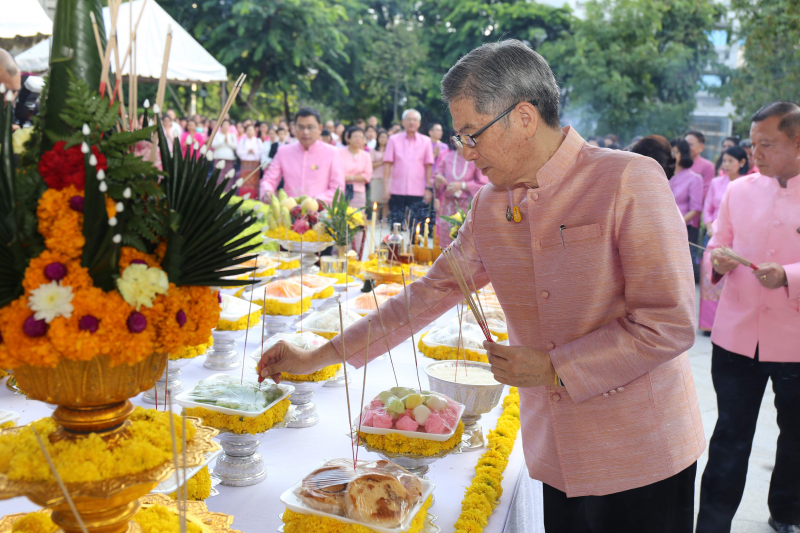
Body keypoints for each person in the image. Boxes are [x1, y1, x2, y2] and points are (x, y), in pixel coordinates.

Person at [259, 40, 703, 533]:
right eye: (459, 138)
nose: (465, 154)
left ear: (525, 117)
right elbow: (425, 296)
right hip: (555, 450)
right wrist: (315, 356)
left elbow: (669, 322)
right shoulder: (492, 208)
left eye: (472, 134)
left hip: (640, 452)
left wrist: (554, 367)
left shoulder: (626, 179)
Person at [696, 101, 800, 533]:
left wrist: (790, 276)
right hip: (737, 337)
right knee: (730, 438)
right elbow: (714, 251)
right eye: (753, 143)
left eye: (767, 144)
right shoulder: (738, 191)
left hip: (794, 341)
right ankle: (712, 524)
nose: (755, 153)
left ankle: (787, 513)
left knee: (795, 439)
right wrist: (717, 263)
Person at [698, 145, 749, 335]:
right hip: (714, 235)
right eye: (724, 160)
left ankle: (728, 320)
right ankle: (708, 323)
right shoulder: (717, 182)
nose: (726, 164)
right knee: (710, 275)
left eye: (730, 161)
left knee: (731, 278)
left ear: (742, 163)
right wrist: (710, 227)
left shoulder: (748, 184)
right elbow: (708, 208)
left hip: (736, 239)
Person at [260, 107, 344, 205]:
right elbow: (269, 179)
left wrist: (313, 202)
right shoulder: (283, 152)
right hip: (289, 214)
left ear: (320, 129)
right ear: (295, 128)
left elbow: (338, 190)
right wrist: (267, 191)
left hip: (321, 215)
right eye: (301, 127)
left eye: (310, 127)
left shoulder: (332, 152)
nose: (305, 132)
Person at [382, 109, 435, 225]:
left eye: (415, 120)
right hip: (396, 190)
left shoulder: (426, 141)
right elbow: (387, 165)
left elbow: (428, 168)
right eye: (409, 119)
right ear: (402, 122)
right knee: (396, 226)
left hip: (418, 191)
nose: (412, 122)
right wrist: (386, 187)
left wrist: (428, 189)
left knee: (416, 228)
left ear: (419, 123)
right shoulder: (393, 140)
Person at [433, 136, 488, 246]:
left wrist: (462, 185)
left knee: (464, 241)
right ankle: (445, 263)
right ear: (453, 141)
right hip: (448, 205)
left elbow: (484, 184)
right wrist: (438, 182)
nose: (460, 142)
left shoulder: (475, 158)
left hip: (466, 205)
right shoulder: (447, 157)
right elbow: (436, 180)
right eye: (457, 138)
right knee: (445, 241)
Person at [669, 139, 704, 245]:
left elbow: (696, 209)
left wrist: (678, 223)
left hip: (682, 228)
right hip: (661, 226)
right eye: (669, 152)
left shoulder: (694, 178)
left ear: (683, 154)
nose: (671, 155)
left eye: (674, 152)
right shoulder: (662, 174)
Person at [339, 127, 372, 208]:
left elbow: (367, 176)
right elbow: (337, 172)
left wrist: (348, 177)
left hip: (358, 191)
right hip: (341, 190)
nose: (358, 139)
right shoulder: (339, 152)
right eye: (355, 136)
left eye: (361, 137)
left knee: (357, 217)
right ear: (348, 138)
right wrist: (357, 177)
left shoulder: (366, 155)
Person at [685, 130, 716, 200]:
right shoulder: (677, 164)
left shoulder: (708, 166)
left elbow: (707, 191)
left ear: (701, 147)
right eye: (685, 144)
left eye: (690, 144)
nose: (686, 147)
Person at [235, 124, 263, 198]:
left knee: (254, 182)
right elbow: (238, 152)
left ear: (254, 131)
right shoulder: (242, 141)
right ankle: (243, 196)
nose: (250, 132)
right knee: (244, 181)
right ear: (246, 131)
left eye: (251, 130)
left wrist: (254, 151)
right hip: (245, 164)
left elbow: (261, 152)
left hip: (255, 164)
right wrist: (247, 151)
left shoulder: (258, 140)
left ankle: (254, 197)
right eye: (248, 130)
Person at [369, 129, 390, 221]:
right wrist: (382, 161)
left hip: (388, 178)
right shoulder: (373, 151)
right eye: (381, 137)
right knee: (375, 200)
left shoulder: (390, 151)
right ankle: (375, 220)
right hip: (376, 177)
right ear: (377, 138)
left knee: (386, 202)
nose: (383, 139)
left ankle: (384, 220)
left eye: (385, 137)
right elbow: (370, 164)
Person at [212, 118, 238, 188]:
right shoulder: (217, 134)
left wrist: (228, 142)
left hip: (229, 158)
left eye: (227, 125)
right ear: (221, 126)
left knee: (228, 176)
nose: (226, 127)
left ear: (229, 126)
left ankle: (227, 191)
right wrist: (223, 141)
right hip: (218, 157)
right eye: (224, 125)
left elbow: (235, 146)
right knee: (218, 175)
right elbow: (213, 145)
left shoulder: (232, 135)